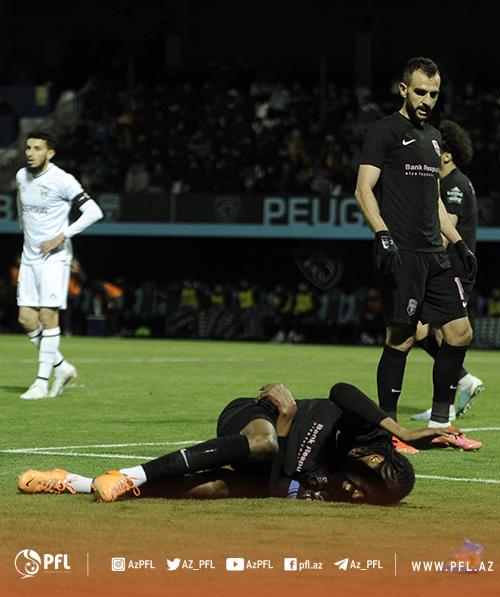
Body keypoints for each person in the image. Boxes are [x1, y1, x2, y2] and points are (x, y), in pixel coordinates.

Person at [18, 382, 456, 505]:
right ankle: (128, 475)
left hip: (272, 440)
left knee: (214, 487)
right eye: (366, 488)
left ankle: (73, 481)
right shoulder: (372, 434)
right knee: (263, 443)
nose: (356, 495)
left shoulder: (337, 486)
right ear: (374, 459)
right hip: (251, 416)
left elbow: (277, 482)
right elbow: (342, 390)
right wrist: (401, 431)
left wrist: (289, 421)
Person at [354, 57, 481, 451]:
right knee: (402, 339)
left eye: (434, 94)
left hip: (434, 254)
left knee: (460, 332)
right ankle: (388, 432)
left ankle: (441, 424)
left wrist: (458, 243)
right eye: (421, 92)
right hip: (401, 251)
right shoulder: (384, 131)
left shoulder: (434, 138)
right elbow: (363, 188)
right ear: (404, 90)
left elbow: (435, 203)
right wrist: (382, 233)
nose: (427, 100)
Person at [16, 130, 103, 399]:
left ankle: (41, 383)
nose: (30, 153)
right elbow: (22, 206)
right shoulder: (21, 176)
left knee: (47, 316)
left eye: (37, 148)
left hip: (55, 259)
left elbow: (94, 212)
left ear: (50, 153)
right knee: (26, 319)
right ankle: (62, 367)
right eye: (28, 147)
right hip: (30, 257)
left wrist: (62, 236)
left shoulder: (63, 180)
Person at [411, 120, 484, 422]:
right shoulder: (446, 182)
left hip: (452, 271)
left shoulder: (455, 184)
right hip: (443, 270)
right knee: (419, 331)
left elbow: (445, 230)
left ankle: (447, 405)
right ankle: (463, 380)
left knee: (447, 335)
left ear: (448, 154)